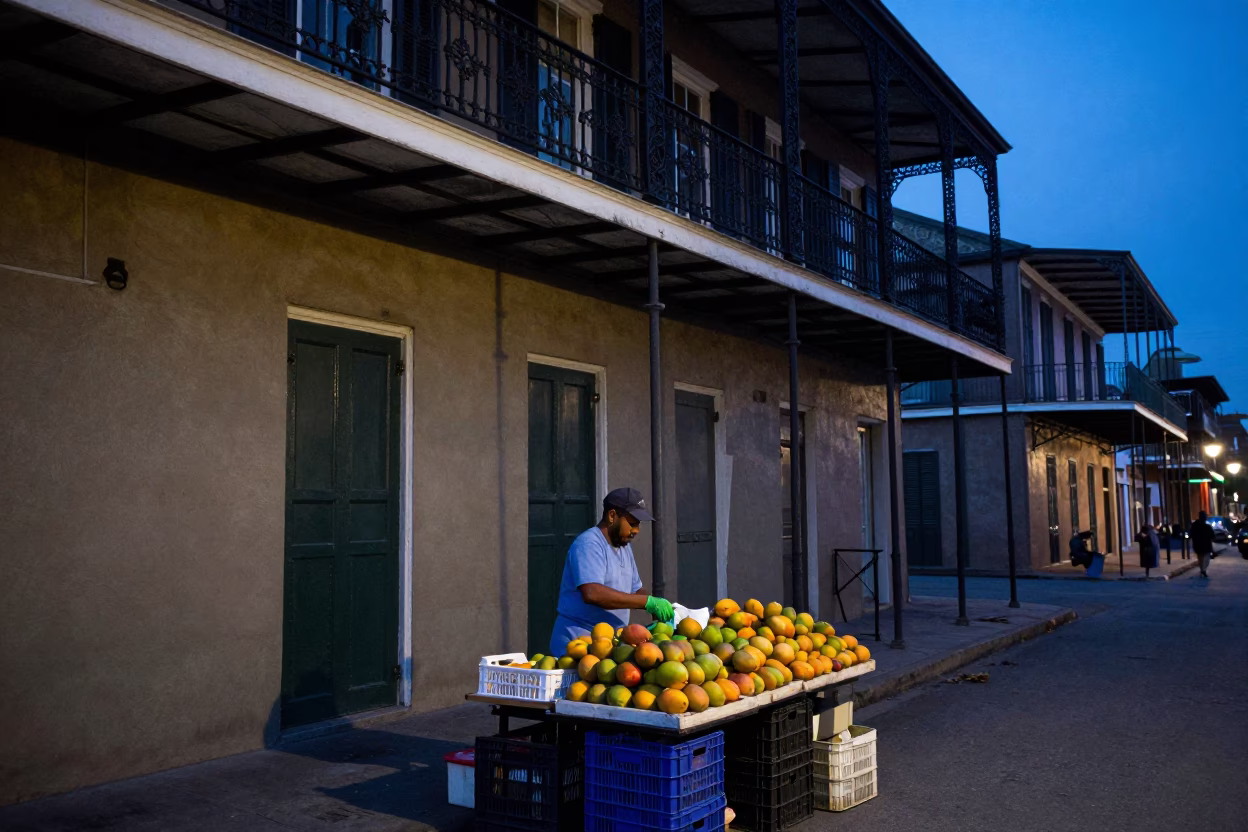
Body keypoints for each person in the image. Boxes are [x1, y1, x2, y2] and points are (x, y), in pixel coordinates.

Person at [548, 487, 674, 656]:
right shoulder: (589, 544)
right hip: (578, 645)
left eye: (638, 524)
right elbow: (592, 593)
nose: (636, 530)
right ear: (612, 516)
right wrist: (647, 602)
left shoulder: (623, 546)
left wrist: (656, 605)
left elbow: (635, 589)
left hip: (609, 645)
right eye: (632, 522)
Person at [1191, 510, 1215, 578]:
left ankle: (1202, 569)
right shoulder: (1207, 527)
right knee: (1206, 558)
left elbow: (1192, 534)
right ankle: (1203, 569)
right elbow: (1212, 536)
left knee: (1200, 558)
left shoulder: (1195, 525)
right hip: (1206, 545)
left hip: (1197, 545)